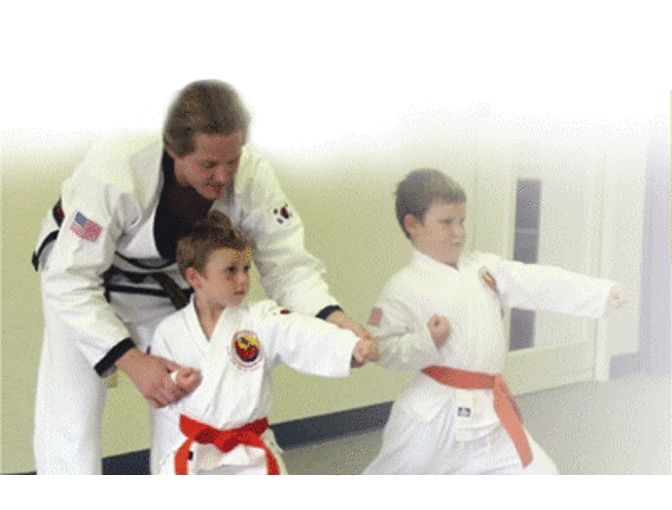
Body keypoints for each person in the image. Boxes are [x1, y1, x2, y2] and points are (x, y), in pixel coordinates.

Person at [31, 80, 370, 475]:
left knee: (187, 394)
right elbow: (70, 278)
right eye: (208, 165)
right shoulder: (115, 168)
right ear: (173, 150)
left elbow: (288, 265)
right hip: (79, 277)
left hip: (168, 278)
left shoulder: (252, 176)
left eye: (232, 161)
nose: (222, 176)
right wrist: (132, 362)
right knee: (71, 412)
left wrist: (334, 319)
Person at [361, 169, 628, 475]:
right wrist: (427, 341)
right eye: (446, 222)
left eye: (461, 221)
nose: (458, 232)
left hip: (489, 410)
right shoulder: (403, 287)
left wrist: (600, 293)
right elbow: (383, 348)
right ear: (413, 225)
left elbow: (535, 282)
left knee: (541, 475)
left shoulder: (482, 268)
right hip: (434, 422)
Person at [151, 211, 379, 475]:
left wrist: (349, 348)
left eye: (246, 269)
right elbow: (160, 387)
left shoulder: (259, 319)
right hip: (196, 454)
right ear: (195, 277)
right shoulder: (169, 331)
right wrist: (176, 382)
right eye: (230, 270)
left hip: (251, 453)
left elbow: (299, 332)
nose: (242, 279)